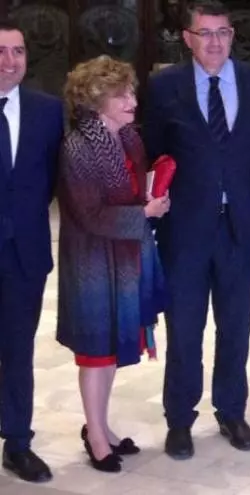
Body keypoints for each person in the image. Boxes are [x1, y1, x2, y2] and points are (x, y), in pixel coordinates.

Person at [142, 0, 250, 459]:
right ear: (188, 38)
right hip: (184, 230)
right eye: (205, 33)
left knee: (235, 325)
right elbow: (153, 153)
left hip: (239, 225)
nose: (215, 42)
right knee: (185, 328)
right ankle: (180, 419)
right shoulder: (164, 86)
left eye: (223, 32)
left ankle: (231, 411)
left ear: (232, 35)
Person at [57, 55, 169, 473]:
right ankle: (96, 437)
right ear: (95, 99)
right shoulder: (77, 148)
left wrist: (151, 198)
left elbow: (132, 192)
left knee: (109, 349)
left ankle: (99, 426)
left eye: (132, 92)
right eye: (121, 95)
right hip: (91, 263)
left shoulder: (128, 139)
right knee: (95, 352)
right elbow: (90, 215)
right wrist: (144, 213)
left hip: (123, 258)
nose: (132, 102)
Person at [0, 19, 64, 484]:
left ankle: (17, 442)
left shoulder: (48, 110)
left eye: (18, 51)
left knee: (18, 352)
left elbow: (56, 180)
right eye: (0, 51)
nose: (10, 61)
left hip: (25, 253)